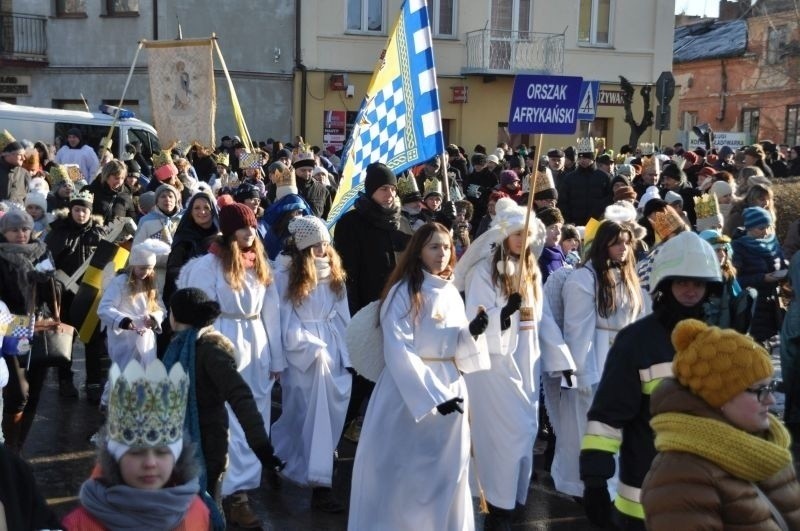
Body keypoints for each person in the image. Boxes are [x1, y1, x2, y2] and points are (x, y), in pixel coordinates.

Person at [348, 223, 490, 531]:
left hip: (450, 388)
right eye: (434, 247)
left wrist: (472, 332)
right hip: (408, 395)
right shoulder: (403, 292)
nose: (442, 254)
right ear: (419, 251)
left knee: (446, 472)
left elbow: (453, 344)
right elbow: (399, 348)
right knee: (404, 473)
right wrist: (433, 397)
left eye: (447, 247)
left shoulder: (451, 291)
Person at [579, 231, 722, 530]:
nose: (690, 290)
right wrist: (595, 481)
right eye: (682, 281)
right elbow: (606, 419)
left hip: (704, 500)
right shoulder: (635, 342)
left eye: (698, 283)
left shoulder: (718, 343)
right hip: (645, 503)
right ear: (664, 285)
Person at [177, 202, 284, 528]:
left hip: (256, 342)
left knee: (255, 414)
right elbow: (198, 314)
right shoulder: (207, 267)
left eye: (253, 227)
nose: (250, 234)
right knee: (228, 420)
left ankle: (245, 487)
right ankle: (228, 494)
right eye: (243, 228)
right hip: (224, 340)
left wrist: (276, 356)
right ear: (228, 230)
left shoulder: (259, 264)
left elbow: (272, 311)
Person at [642, 319, 800, 529]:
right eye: (759, 390)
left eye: (770, 387)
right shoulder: (681, 476)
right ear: (719, 397)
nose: (770, 400)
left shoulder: (767, 446)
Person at [454, 198, 548, 528]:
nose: (523, 240)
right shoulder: (485, 271)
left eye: (528, 234)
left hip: (526, 359)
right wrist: (503, 314)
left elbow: (542, 318)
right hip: (494, 363)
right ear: (505, 235)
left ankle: (513, 496)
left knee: (525, 430)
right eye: (516, 234)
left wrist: (556, 357)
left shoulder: (532, 270)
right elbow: (476, 319)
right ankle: (496, 499)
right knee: (504, 432)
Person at [163, 288, 284, 528]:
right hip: (180, 445)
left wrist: (261, 445)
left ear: (178, 317)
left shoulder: (210, 352)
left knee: (203, 510)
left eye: (171, 311)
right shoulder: (178, 348)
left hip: (207, 448)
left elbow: (240, 396)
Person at [551, 220, 648, 500]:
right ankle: (585, 485)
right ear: (603, 245)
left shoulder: (629, 275)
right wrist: (581, 372)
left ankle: (617, 484)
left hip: (623, 361)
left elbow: (639, 319)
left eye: (627, 242)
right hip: (596, 361)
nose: (623, 248)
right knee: (588, 426)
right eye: (617, 242)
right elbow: (577, 329)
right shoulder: (585, 278)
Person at [61, 359, 210, 530]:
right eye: (136, 452)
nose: (150, 463)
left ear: (177, 457)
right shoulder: (80, 525)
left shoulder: (197, 513)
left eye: (161, 452)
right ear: (115, 457)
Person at [271, 216, 353, 513]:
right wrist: (303, 345)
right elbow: (284, 318)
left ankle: (315, 471)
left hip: (332, 348)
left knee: (328, 415)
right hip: (304, 352)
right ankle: (316, 479)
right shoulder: (287, 275)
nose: (322, 248)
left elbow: (343, 314)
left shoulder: (334, 274)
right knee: (304, 413)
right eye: (316, 244)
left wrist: (348, 353)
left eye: (324, 243)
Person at [332, 162, 411, 441]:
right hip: (365, 310)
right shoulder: (352, 223)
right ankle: (340, 429)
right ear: (370, 191)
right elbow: (346, 274)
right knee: (362, 375)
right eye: (382, 189)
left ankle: (382, 431)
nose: (389, 194)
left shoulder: (402, 223)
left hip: (399, 311)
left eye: (391, 188)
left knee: (392, 374)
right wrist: (353, 314)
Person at [0, 210, 57, 453]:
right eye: (14, 230)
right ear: (4, 233)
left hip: (38, 325)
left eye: (25, 229)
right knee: (17, 391)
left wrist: (47, 280)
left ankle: (19, 446)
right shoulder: (1, 255)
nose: (21, 234)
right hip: (9, 325)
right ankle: (9, 446)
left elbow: (55, 292)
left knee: (33, 389)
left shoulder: (42, 251)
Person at [46, 189, 108, 399]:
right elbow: (47, 260)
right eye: (77, 210)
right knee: (66, 339)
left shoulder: (99, 233)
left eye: (85, 211)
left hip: (91, 294)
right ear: (71, 210)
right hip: (65, 294)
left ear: (90, 212)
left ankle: (93, 383)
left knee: (92, 340)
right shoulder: (58, 231)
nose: (81, 214)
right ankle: (65, 380)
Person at [97, 239, 170, 402]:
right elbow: (104, 308)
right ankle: (109, 400)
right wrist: (123, 321)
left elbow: (161, 308)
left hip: (145, 335)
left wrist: (154, 318)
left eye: (150, 269)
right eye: (142, 268)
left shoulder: (151, 285)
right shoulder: (120, 282)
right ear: (133, 265)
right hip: (125, 337)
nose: (146, 272)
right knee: (124, 368)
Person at [731, 206, 787, 344]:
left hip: (771, 305)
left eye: (768, 227)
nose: (766, 232)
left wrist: (786, 272)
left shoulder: (772, 243)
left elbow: (782, 264)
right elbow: (735, 280)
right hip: (752, 307)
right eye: (761, 228)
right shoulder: (738, 247)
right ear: (749, 228)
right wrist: (762, 278)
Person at [163, 191, 219, 308]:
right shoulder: (184, 239)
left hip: (218, 298)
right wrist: (195, 274)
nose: (202, 212)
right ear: (191, 212)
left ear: (213, 210)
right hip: (191, 299)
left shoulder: (222, 239)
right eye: (197, 208)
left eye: (206, 208)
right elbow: (172, 271)